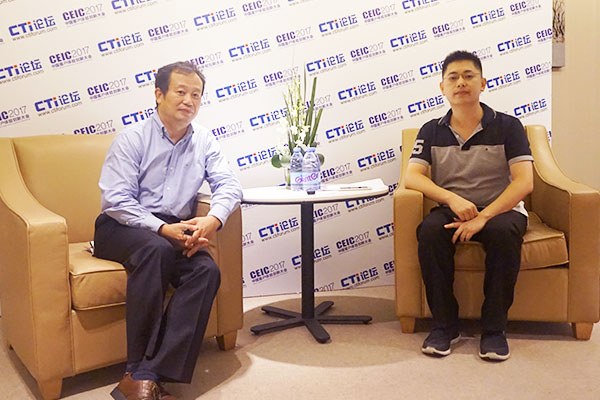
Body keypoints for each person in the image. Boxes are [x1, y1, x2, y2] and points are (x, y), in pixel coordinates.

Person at [94, 61, 242, 400]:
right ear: (159, 95)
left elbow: (229, 185)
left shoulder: (204, 140)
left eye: (196, 95)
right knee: (156, 248)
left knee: (206, 271)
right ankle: (136, 366)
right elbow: (116, 200)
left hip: (174, 228)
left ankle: (146, 375)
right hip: (122, 225)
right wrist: (162, 229)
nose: (189, 100)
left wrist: (211, 220)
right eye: (180, 92)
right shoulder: (132, 138)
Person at [405, 50, 533, 361]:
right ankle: (444, 326)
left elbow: (524, 182)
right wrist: (451, 198)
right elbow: (412, 177)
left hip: (500, 210)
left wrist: (484, 216)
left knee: (503, 234)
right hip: (453, 209)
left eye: (468, 76)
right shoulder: (430, 130)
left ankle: (494, 330)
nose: (460, 82)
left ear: (483, 83)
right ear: (442, 88)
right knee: (430, 232)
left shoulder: (509, 126)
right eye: (453, 77)